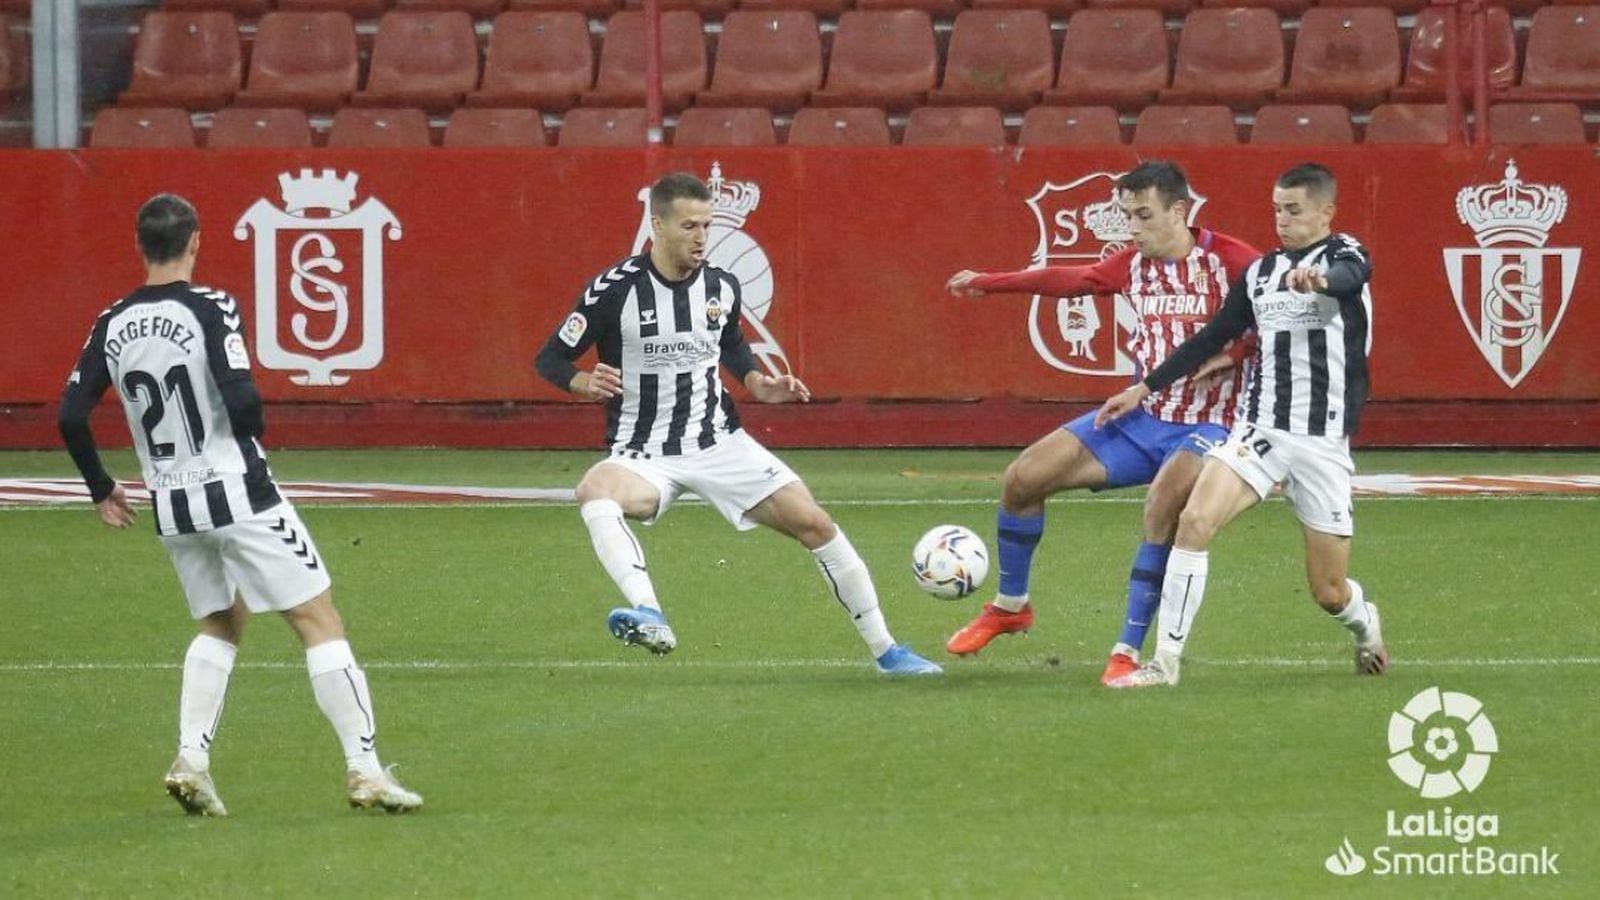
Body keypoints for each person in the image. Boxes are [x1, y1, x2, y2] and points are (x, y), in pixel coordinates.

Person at [58, 194, 423, 815]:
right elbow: (245, 403)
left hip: (172, 503)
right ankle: (364, 770)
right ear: (195, 241)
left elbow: (70, 413)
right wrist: (246, 428)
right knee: (318, 619)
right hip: (239, 491)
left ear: (139, 244)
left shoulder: (111, 321)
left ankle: (191, 760)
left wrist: (101, 486)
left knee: (221, 622)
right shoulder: (213, 307)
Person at [535, 173, 941, 676]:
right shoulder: (613, 291)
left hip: (720, 443)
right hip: (644, 453)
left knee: (816, 524)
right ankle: (650, 612)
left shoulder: (722, 286)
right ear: (658, 226)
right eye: (689, 226)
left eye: (706, 225)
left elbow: (730, 345)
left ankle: (888, 651)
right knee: (595, 489)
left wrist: (759, 382)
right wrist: (582, 384)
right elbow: (550, 359)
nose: (702, 237)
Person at [943, 161, 1260, 684]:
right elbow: (1069, 280)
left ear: (1179, 211)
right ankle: (1010, 605)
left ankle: (1127, 650)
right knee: (1023, 478)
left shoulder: (1234, 262)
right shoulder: (1133, 264)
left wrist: (1240, 350)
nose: (1132, 229)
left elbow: (1290, 317)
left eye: (1142, 215)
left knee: (1163, 505)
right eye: (1126, 216)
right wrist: (989, 282)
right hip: (1142, 417)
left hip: (1213, 426)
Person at [1095, 163, 1386, 689]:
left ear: (1326, 212)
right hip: (1260, 431)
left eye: (1294, 210)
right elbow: (1211, 338)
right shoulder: (1261, 274)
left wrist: (1319, 278)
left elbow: (1351, 278)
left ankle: (1365, 625)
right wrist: (1144, 387)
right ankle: (1164, 664)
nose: (1283, 220)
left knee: (1329, 591)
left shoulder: (1346, 254)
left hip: (1321, 442)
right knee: (1195, 522)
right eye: (1277, 209)